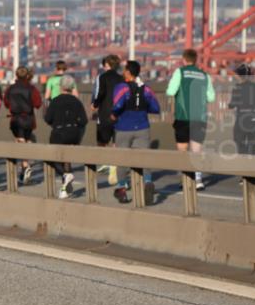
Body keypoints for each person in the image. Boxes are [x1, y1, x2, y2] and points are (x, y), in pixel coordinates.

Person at [111, 61, 160, 204]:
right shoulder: (146, 89)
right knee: (144, 158)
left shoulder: (121, 87)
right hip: (142, 127)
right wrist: (143, 109)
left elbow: (118, 104)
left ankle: (122, 190)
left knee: (122, 160)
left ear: (127, 72)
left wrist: (113, 114)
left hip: (123, 127)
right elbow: (155, 107)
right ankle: (148, 182)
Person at [166, 48, 215, 190]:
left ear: (184, 60)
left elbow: (170, 91)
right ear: (195, 60)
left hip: (183, 116)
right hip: (199, 117)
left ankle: (186, 178)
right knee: (196, 149)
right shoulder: (205, 75)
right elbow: (211, 97)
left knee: (182, 149)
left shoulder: (180, 72)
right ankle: (198, 179)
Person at [43, 75, 87, 199]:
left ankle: (65, 175)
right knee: (66, 159)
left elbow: (47, 119)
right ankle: (65, 188)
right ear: (72, 87)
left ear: (61, 86)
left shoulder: (55, 101)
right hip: (74, 133)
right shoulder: (76, 101)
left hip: (59, 133)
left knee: (51, 158)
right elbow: (83, 120)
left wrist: (57, 123)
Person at [3, 66, 42, 185]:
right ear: (27, 76)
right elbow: (38, 104)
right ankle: (25, 165)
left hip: (15, 119)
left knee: (20, 140)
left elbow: (6, 102)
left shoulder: (10, 89)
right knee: (27, 139)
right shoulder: (32, 89)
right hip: (29, 119)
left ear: (16, 75)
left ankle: (25, 166)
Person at [92, 54, 124, 183]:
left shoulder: (102, 77)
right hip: (119, 113)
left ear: (107, 65)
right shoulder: (122, 78)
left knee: (102, 140)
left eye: (104, 65)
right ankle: (113, 165)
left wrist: (95, 104)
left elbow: (99, 92)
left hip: (104, 113)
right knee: (116, 141)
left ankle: (106, 162)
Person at [229, 63, 255, 156]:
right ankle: (253, 154)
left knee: (239, 141)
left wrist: (229, 105)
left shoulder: (237, 88)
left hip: (242, 118)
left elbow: (232, 104)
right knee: (252, 144)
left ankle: (244, 157)